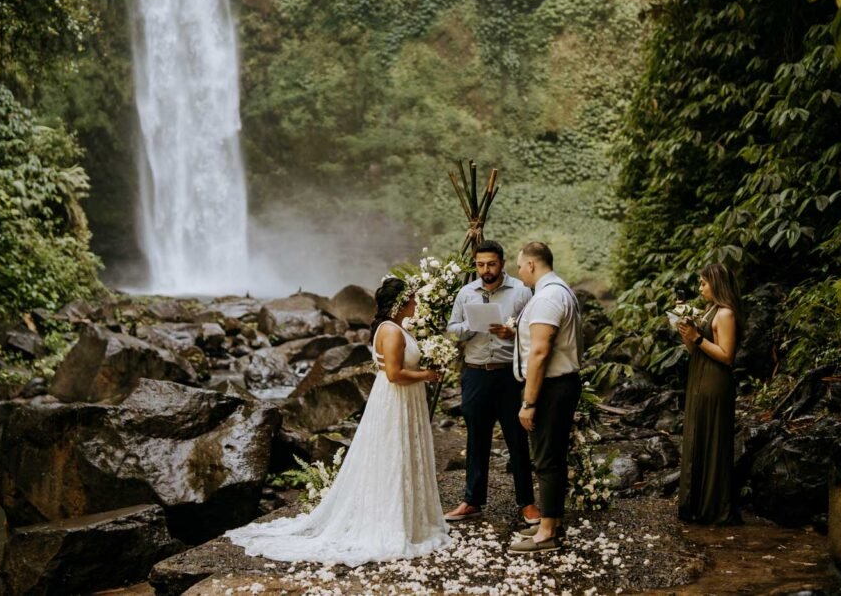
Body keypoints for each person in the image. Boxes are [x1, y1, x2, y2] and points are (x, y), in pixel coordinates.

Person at [225, 277, 450, 565]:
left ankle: (404, 518)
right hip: (397, 399)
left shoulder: (391, 328)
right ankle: (394, 522)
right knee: (396, 456)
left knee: (397, 456)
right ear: (399, 304)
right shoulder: (392, 333)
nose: (416, 304)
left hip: (398, 399)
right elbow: (394, 374)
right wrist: (427, 375)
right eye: (412, 300)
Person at [444, 240, 539, 526]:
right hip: (474, 373)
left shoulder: (521, 292)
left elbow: (535, 330)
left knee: (517, 439)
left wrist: (513, 333)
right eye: (480, 265)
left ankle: (528, 503)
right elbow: (451, 330)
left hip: (508, 375)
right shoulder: (465, 293)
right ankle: (472, 501)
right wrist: (472, 327)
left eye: (491, 264)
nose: (486, 270)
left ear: (502, 263)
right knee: (476, 438)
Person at [508, 242, 583, 555]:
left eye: (519, 266)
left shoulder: (548, 296)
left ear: (531, 265)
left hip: (551, 387)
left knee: (546, 459)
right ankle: (551, 521)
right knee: (551, 456)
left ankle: (548, 533)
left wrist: (529, 402)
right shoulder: (559, 290)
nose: (518, 271)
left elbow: (539, 353)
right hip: (559, 384)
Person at [676, 263, 743, 525]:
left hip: (715, 381)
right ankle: (696, 503)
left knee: (712, 438)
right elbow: (694, 350)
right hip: (699, 376)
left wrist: (698, 337)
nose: (700, 288)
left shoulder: (725, 314)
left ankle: (714, 506)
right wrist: (686, 332)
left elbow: (727, 357)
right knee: (697, 435)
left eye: (704, 283)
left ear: (716, 284)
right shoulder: (709, 310)